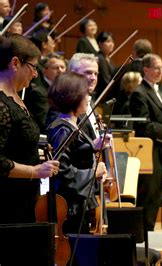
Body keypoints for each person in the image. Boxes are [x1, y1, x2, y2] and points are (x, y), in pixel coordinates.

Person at [0, 34, 59, 224]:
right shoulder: (1, 103)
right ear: (15, 63)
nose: (35, 74)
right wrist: (34, 171)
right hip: (8, 205)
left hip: (25, 201)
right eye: (33, 67)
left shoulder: (17, 98)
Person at [47, 71, 108, 234]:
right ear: (73, 97)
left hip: (81, 205)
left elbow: (76, 153)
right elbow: (63, 173)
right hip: (70, 209)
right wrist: (94, 173)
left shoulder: (74, 125)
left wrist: (93, 147)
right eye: (85, 94)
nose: (88, 98)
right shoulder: (62, 129)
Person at [129, 53, 162, 231]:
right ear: (146, 69)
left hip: (160, 150)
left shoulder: (158, 89)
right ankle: (142, 239)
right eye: (157, 68)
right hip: (149, 152)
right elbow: (144, 126)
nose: (160, 71)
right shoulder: (139, 93)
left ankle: (148, 237)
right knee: (148, 197)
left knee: (155, 197)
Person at [24, 53, 66, 133]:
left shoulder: (65, 90)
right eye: (56, 68)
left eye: (62, 67)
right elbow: (45, 124)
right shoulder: (39, 92)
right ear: (45, 70)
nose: (60, 70)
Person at [94, 31, 115, 100]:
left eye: (112, 42)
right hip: (102, 96)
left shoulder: (108, 58)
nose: (111, 44)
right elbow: (106, 80)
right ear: (100, 44)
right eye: (108, 41)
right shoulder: (100, 58)